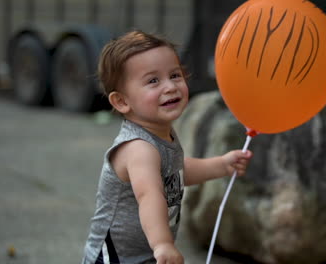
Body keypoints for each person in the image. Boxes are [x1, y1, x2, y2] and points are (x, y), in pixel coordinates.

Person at [82, 30, 253, 264]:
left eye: (175, 75)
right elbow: (149, 194)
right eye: (153, 81)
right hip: (116, 258)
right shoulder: (139, 148)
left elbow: (177, 172)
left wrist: (222, 165)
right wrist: (162, 243)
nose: (170, 86)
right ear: (122, 101)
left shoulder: (163, 133)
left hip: (147, 254)